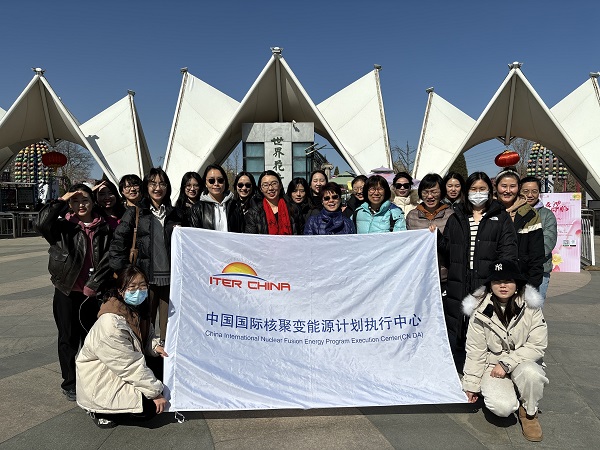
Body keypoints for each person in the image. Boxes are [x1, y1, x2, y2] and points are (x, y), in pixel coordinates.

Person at [35, 183, 112, 402]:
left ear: (93, 202)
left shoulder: (104, 227)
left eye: (85, 200)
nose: (80, 205)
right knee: (67, 338)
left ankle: (90, 378)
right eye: (75, 201)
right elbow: (40, 223)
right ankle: (70, 382)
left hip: (92, 293)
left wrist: (94, 283)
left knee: (91, 339)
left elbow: (108, 259)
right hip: (66, 291)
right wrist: (61, 200)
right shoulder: (62, 227)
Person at [462, 260, 547, 442]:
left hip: (524, 361)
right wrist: (472, 385)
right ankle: (511, 391)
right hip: (491, 366)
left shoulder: (531, 306)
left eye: (508, 281)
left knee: (532, 374)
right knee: (502, 408)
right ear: (490, 285)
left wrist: (506, 363)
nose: (502, 285)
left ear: (517, 284)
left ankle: (529, 412)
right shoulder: (479, 310)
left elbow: (537, 345)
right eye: (497, 281)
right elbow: (476, 350)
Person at [440, 172, 518, 368]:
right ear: (467, 192)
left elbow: (508, 252)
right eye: (473, 189)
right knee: (458, 325)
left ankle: (482, 368)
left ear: (490, 191)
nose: (477, 193)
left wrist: (498, 280)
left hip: (485, 283)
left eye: (482, 189)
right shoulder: (456, 218)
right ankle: (459, 367)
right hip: (459, 282)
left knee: (484, 328)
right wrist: (435, 238)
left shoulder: (501, 217)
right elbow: (447, 251)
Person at [76, 265, 168, 429]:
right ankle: (100, 411)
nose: (138, 291)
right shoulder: (110, 323)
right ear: (120, 290)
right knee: (149, 409)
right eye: (132, 287)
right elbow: (128, 365)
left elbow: (146, 338)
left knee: (165, 365)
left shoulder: (137, 310)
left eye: (143, 286)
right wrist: (155, 393)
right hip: (102, 380)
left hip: (121, 367)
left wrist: (155, 347)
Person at [110, 168, 181, 344]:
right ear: (146, 187)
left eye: (162, 183)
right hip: (144, 281)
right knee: (143, 327)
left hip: (170, 281)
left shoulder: (175, 214)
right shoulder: (135, 213)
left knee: (169, 330)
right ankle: (145, 359)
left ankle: (165, 359)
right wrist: (126, 274)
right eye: (153, 183)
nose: (157, 188)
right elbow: (117, 245)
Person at [495, 168, 545, 289]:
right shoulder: (487, 211)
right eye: (503, 186)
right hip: (492, 277)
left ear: (518, 188)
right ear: (496, 187)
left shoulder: (529, 213)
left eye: (512, 186)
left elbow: (536, 253)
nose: (508, 191)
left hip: (521, 277)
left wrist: (532, 283)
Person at [406, 173, 454, 290]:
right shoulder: (412, 216)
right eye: (425, 192)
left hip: (444, 276)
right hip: (419, 276)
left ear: (441, 192)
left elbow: (455, 247)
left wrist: (439, 238)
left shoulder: (451, 215)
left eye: (434, 192)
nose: (430, 196)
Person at [520, 176, 557, 299]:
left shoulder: (547, 215)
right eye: (525, 191)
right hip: (517, 269)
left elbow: (549, 241)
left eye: (534, 191)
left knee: (535, 307)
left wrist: (529, 259)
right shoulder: (514, 212)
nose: (530, 195)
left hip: (540, 269)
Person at [244, 170, 304, 235]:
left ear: (280, 185)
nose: (270, 188)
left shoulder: (294, 209)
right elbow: (251, 238)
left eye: (274, 183)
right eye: (265, 185)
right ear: (261, 189)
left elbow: (301, 235)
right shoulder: (254, 212)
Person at [188, 164, 244, 232]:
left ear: (225, 182)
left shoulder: (235, 206)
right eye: (211, 181)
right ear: (205, 183)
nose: (216, 184)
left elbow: (241, 233)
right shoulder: (197, 209)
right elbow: (195, 235)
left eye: (220, 180)